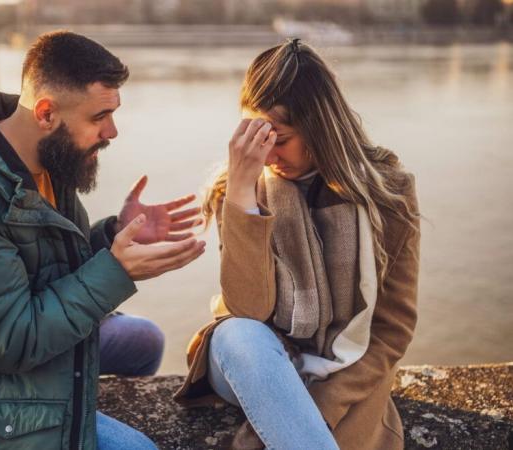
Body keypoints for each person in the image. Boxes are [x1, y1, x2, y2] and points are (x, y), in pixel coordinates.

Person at [0, 30, 206, 450]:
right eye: (99, 117)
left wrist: (113, 236)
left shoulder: (46, 164)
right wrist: (115, 271)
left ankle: (72, 410)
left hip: (11, 362)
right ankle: (64, 419)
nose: (112, 132)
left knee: (141, 340)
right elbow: (9, 342)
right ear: (45, 114)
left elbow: (50, 274)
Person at [175, 38, 420, 450]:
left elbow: (393, 329)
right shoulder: (237, 188)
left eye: (280, 138)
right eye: (258, 136)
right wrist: (240, 192)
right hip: (252, 362)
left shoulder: (388, 194)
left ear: (319, 128)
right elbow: (248, 310)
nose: (267, 153)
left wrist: (322, 405)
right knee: (240, 334)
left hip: (343, 368)